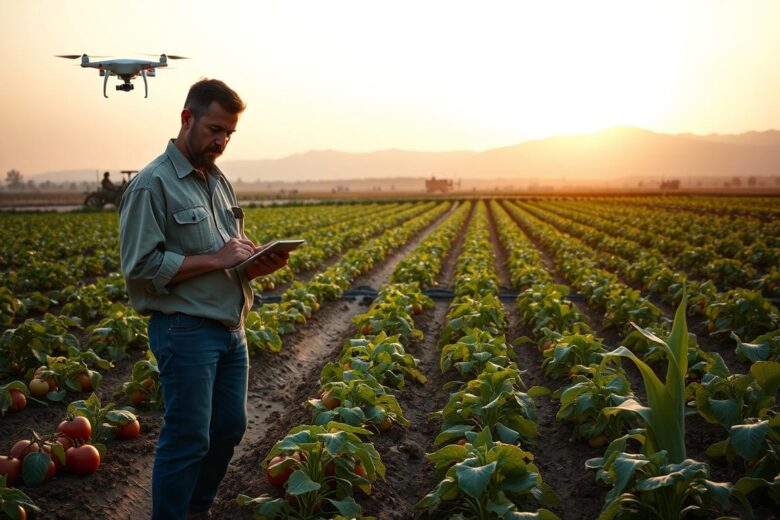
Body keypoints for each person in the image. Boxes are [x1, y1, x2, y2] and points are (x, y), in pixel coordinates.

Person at [118, 79, 288, 520]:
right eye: (215, 129)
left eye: (229, 133)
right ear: (186, 118)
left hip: (232, 327)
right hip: (185, 329)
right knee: (188, 436)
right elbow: (140, 267)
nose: (221, 141)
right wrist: (215, 258)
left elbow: (229, 252)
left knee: (231, 426)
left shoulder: (217, 180)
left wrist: (253, 264)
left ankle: (197, 508)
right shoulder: (151, 185)